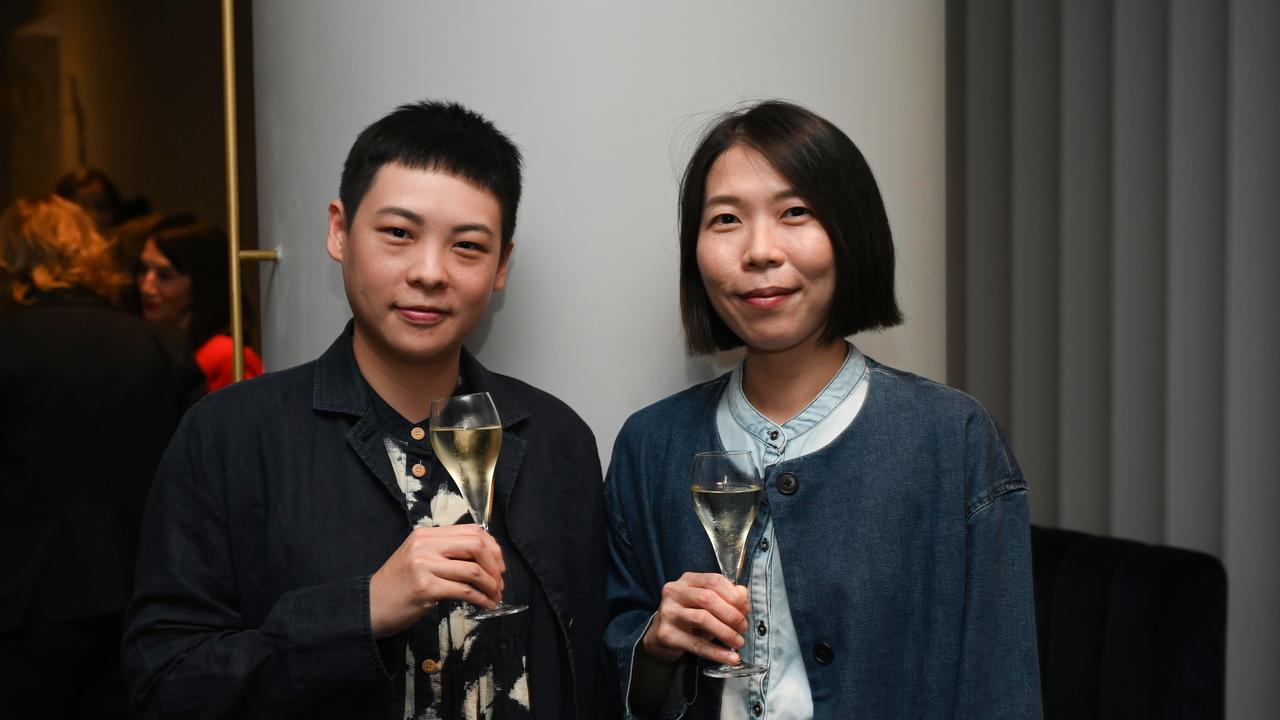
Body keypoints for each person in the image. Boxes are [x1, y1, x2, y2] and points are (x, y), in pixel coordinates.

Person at [123, 100, 607, 719]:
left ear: (501, 265)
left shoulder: (555, 440)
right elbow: (165, 683)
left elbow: (587, 673)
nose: (430, 272)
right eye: (399, 234)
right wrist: (362, 611)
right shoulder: (230, 436)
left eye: (467, 247)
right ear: (339, 230)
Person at [603, 101, 1042, 719]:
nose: (759, 251)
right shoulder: (650, 446)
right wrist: (654, 645)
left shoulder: (953, 440)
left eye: (795, 213)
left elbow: (1001, 690)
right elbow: (620, 682)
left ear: (850, 232)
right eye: (726, 219)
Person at [0, 194, 195, 718]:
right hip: (143, 588)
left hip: (25, 599)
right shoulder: (161, 346)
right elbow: (193, 479)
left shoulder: (9, 341)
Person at [134, 217, 264, 392]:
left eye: (165, 276)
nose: (146, 287)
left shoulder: (225, 356)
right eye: (143, 270)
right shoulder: (158, 347)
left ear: (201, 283)